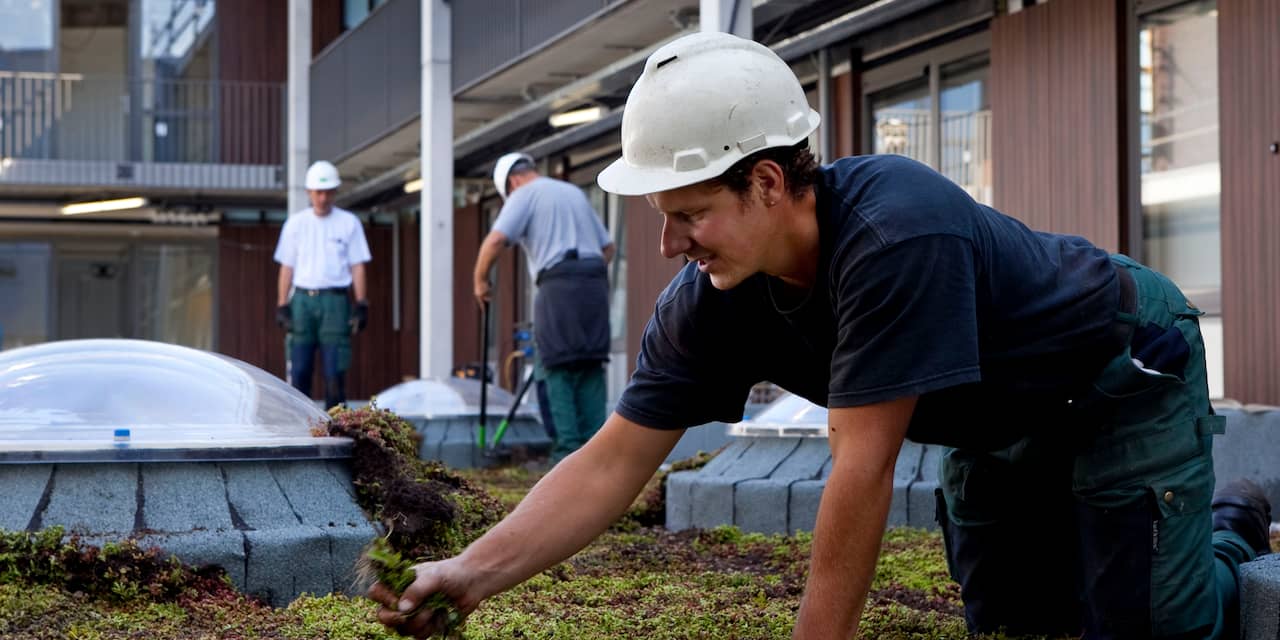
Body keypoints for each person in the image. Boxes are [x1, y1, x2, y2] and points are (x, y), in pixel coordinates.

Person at [371, 32, 1272, 639]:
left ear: (767, 182)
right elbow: (613, 460)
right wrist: (474, 574)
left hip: (1119, 370)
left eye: (688, 215)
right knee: (1013, 623)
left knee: (1149, 625)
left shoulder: (895, 233)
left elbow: (861, 466)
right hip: (997, 424)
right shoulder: (709, 297)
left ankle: (1231, 530)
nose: (668, 245)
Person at [472, 152, 614, 463]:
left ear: (512, 182)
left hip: (558, 283)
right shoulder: (572, 192)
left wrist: (480, 281)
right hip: (594, 281)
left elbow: (495, 241)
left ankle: (567, 455)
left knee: (555, 365)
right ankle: (597, 456)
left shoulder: (523, 193)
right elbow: (608, 247)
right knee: (590, 363)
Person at [273, 160, 371, 410]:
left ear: (336, 192)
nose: (323, 198)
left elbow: (357, 265)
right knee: (300, 368)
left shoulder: (349, 223)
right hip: (303, 299)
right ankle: (299, 427)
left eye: (328, 192)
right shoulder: (296, 224)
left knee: (334, 370)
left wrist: (361, 302)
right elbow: (287, 267)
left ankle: (335, 426)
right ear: (309, 193)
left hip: (335, 301)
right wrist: (282, 304)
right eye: (318, 192)